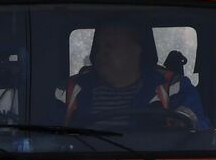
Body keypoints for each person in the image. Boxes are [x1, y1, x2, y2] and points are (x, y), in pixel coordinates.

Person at [57, 19, 208, 129]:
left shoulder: (173, 87)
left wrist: (189, 120)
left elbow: (203, 133)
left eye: (110, 46)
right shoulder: (69, 90)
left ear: (136, 49)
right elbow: (45, 137)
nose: (100, 53)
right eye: (98, 47)